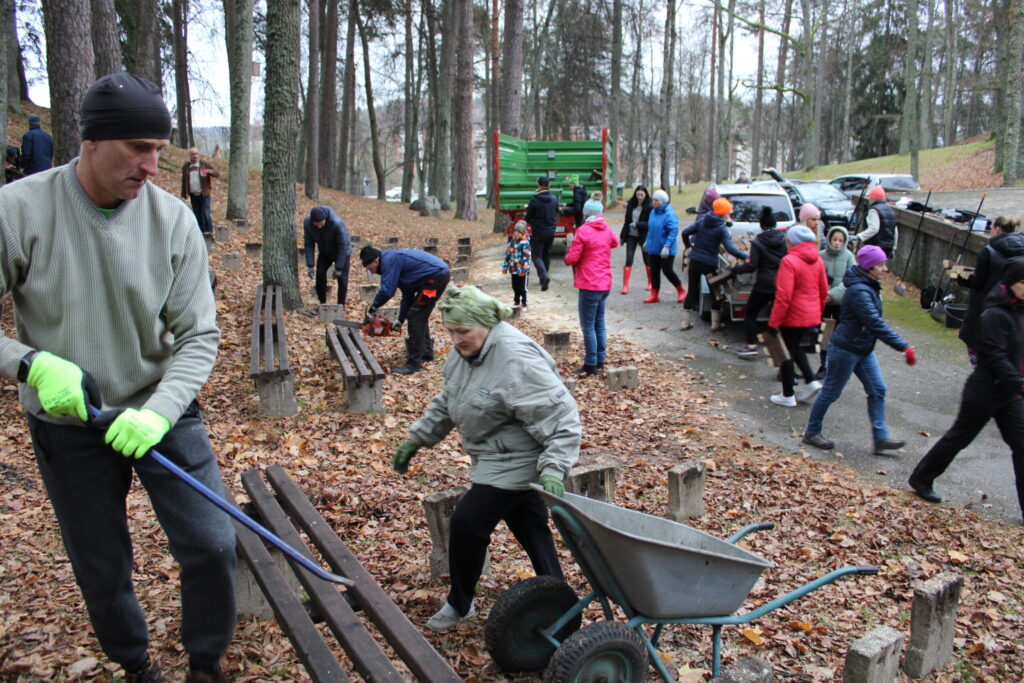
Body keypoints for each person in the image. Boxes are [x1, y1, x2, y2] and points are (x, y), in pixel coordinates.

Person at [0, 73, 235, 683]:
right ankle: (135, 665)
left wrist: (159, 412)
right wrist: (28, 363)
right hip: (68, 420)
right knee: (101, 565)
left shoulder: (175, 222)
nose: (152, 165)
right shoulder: (19, 209)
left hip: (162, 408)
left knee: (213, 543)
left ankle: (206, 664)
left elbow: (199, 336)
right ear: (92, 143)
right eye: (138, 148)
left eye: (159, 149)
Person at [390, 285, 581, 632]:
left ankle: (460, 604)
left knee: (467, 525)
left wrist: (554, 468)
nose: (455, 339)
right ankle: (562, 603)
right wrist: (417, 439)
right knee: (530, 527)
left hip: (517, 460)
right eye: (449, 331)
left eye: (463, 331)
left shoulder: (514, 359)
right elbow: (449, 400)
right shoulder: (465, 353)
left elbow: (562, 418)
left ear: (486, 325)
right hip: (496, 454)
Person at [908, 257, 1024, 518]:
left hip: (1010, 394)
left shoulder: (1019, 311)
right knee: (959, 437)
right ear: (1011, 284)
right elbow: (995, 355)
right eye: (1023, 282)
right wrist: (1019, 382)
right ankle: (922, 478)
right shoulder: (995, 313)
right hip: (985, 389)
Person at [802, 245, 915, 453]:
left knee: (877, 389)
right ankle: (812, 431)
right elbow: (874, 322)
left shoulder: (869, 284)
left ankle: (880, 438)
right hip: (845, 349)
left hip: (862, 348)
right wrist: (903, 346)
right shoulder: (859, 291)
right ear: (869, 267)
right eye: (880, 265)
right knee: (830, 392)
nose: (885, 269)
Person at [360, 245, 451, 375]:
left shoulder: (389, 261)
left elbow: (387, 291)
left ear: (376, 260)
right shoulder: (392, 262)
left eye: (370, 268)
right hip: (434, 276)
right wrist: (400, 319)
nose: (372, 272)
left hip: (435, 278)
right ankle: (426, 353)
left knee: (416, 317)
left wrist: (374, 307)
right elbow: (407, 294)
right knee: (418, 314)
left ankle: (414, 364)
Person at [768, 226, 828, 407]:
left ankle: (788, 395)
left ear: (791, 242)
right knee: (795, 348)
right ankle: (810, 381)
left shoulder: (789, 261)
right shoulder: (817, 260)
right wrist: (818, 311)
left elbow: (784, 295)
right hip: (810, 314)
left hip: (792, 314)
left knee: (785, 353)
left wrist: (773, 322)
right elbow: (824, 290)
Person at [956, 215, 1024, 358]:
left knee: (978, 348)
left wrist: (961, 278)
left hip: (985, 306)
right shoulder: (1021, 250)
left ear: (998, 229)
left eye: (992, 227)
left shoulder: (988, 251)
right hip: (1012, 307)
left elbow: (978, 283)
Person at [565, 195, 618, 376]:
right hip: (605, 284)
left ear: (585, 213)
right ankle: (600, 360)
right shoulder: (606, 229)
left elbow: (571, 259)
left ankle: (590, 365)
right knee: (599, 324)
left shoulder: (583, 231)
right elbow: (615, 242)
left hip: (589, 284)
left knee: (588, 326)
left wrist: (569, 248)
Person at [680, 197, 747, 330]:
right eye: (728, 212)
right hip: (709, 264)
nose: (729, 215)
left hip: (695, 261)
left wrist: (689, 246)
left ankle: (685, 322)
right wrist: (747, 256)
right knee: (716, 292)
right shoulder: (721, 228)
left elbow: (685, 232)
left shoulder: (703, 220)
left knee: (692, 290)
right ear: (723, 213)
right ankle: (715, 324)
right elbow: (730, 249)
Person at [732, 206, 786, 358]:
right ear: (775, 224)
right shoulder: (783, 240)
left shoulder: (758, 242)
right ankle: (779, 353)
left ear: (761, 225)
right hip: (780, 284)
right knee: (776, 318)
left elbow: (752, 266)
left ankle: (751, 345)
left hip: (763, 285)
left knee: (750, 314)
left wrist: (736, 269)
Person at [816, 224, 857, 378]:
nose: (837, 243)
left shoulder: (848, 257)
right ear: (829, 239)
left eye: (841, 240)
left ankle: (838, 366)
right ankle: (823, 364)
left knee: (840, 335)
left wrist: (834, 293)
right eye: (835, 240)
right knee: (825, 334)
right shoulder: (821, 256)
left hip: (841, 303)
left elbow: (851, 279)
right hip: (824, 303)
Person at [642, 190, 685, 305]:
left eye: (656, 200)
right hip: (653, 247)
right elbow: (651, 229)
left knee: (667, 270)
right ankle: (654, 294)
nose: (653, 202)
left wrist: (667, 246)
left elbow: (673, 231)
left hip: (666, 249)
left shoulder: (669, 214)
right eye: (653, 199)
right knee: (654, 271)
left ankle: (681, 290)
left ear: (662, 202)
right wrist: (647, 241)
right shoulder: (653, 212)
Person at [303, 205, 352, 306]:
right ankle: (322, 303)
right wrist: (310, 265)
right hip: (325, 252)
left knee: (342, 279)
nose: (319, 227)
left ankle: (340, 306)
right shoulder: (307, 224)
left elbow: (343, 246)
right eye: (316, 225)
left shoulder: (336, 223)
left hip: (342, 252)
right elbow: (309, 244)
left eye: (321, 224)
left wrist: (338, 268)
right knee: (320, 274)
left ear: (325, 219)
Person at [524, 175, 558, 291]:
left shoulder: (534, 199)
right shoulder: (554, 199)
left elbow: (528, 218)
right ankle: (543, 279)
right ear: (548, 185)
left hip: (538, 231)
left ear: (538, 185)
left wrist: (532, 221)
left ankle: (544, 276)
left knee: (536, 256)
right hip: (551, 231)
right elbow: (556, 212)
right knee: (546, 254)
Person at [618, 185, 652, 295]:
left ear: (646, 194)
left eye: (642, 195)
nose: (640, 197)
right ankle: (625, 286)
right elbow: (626, 221)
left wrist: (637, 224)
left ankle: (650, 283)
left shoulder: (649, 206)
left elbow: (650, 224)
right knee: (629, 258)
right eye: (638, 194)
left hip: (643, 235)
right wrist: (623, 236)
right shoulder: (631, 205)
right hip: (631, 235)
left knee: (647, 259)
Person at [180, 146, 219, 234]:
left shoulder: (204, 163)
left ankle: (209, 234)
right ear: (190, 155)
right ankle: (200, 234)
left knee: (206, 214)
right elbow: (184, 181)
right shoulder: (186, 166)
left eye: (197, 154)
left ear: (199, 155)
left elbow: (217, 173)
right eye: (193, 154)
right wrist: (183, 194)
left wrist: (209, 171)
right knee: (197, 215)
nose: (195, 156)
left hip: (204, 194)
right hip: (193, 194)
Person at [852, 184, 897, 258]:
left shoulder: (873, 210)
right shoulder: (891, 210)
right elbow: (895, 232)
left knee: (871, 267)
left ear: (872, 198)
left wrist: (859, 236)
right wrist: (894, 247)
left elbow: (874, 228)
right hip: (888, 247)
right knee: (881, 267)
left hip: (875, 246)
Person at [502, 220, 532, 310]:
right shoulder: (512, 242)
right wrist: (505, 267)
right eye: (515, 231)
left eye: (518, 232)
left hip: (522, 271)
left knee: (522, 287)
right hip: (513, 269)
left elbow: (527, 257)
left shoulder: (525, 243)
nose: (516, 233)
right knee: (515, 287)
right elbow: (507, 255)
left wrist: (524, 270)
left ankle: (524, 303)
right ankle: (516, 301)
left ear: (522, 233)